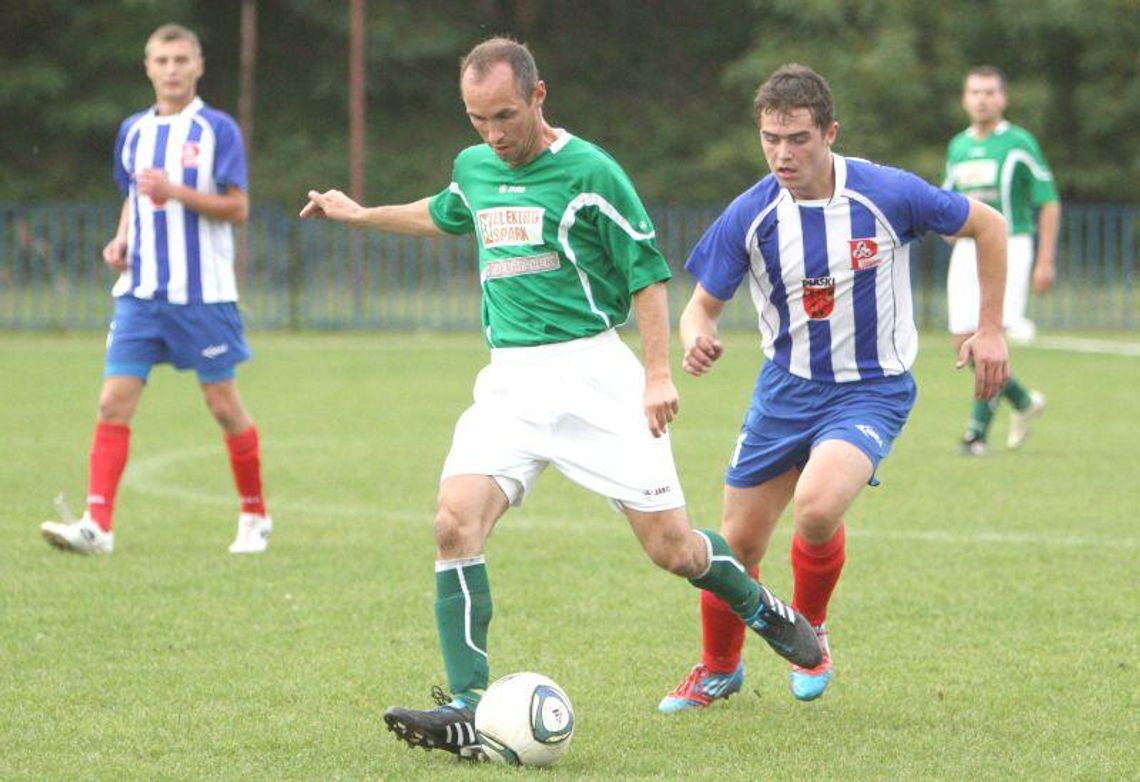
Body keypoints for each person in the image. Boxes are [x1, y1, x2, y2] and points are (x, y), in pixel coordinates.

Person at [300, 38, 821, 760]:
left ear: (539, 97)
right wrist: (360, 215)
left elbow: (645, 272)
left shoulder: (590, 171)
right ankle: (464, 706)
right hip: (510, 382)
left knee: (672, 549)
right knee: (453, 524)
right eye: (478, 119)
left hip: (593, 378)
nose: (493, 134)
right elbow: (449, 211)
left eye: (505, 115)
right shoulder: (477, 167)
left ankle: (760, 607)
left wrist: (658, 374)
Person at [657, 64, 1010, 712]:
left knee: (818, 508)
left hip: (871, 389)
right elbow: (699, 305)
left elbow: (987, 225)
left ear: (829, 133)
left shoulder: (886, 193)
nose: (783, 154)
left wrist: (990, 329)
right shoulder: (752, 213)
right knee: (737, 544)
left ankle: (809, 627)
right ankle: (718, 668)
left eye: (797, 138)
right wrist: (694, 334)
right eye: (771, 139)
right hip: (784, 390)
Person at [39, 24, 271, 555]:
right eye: (161, 60)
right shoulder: (133, 132)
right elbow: (134, 199)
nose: (171, 69)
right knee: (112, 403)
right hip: (140, 292)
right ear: (148, 67)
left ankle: (255, 516)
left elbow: (238, 208)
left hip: (202, 296)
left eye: (180, 59)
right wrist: (120, 241)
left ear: (198, 65)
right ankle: (98, 525)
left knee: (223, 406)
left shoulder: (216, 130)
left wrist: (177, 192)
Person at [943, 65, 1060, 456]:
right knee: (963, 340)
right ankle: (1024, 401)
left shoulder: (1019, 142)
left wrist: (1045, 260)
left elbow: (1048, 200)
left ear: (1003, 98)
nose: (982, 99)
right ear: (964, 98)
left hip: (1011, 245)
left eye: (990, 92)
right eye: (975, 92)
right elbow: (948, 199)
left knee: (989, 337)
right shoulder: (958, 146)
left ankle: (976, 434)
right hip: (965, 250)